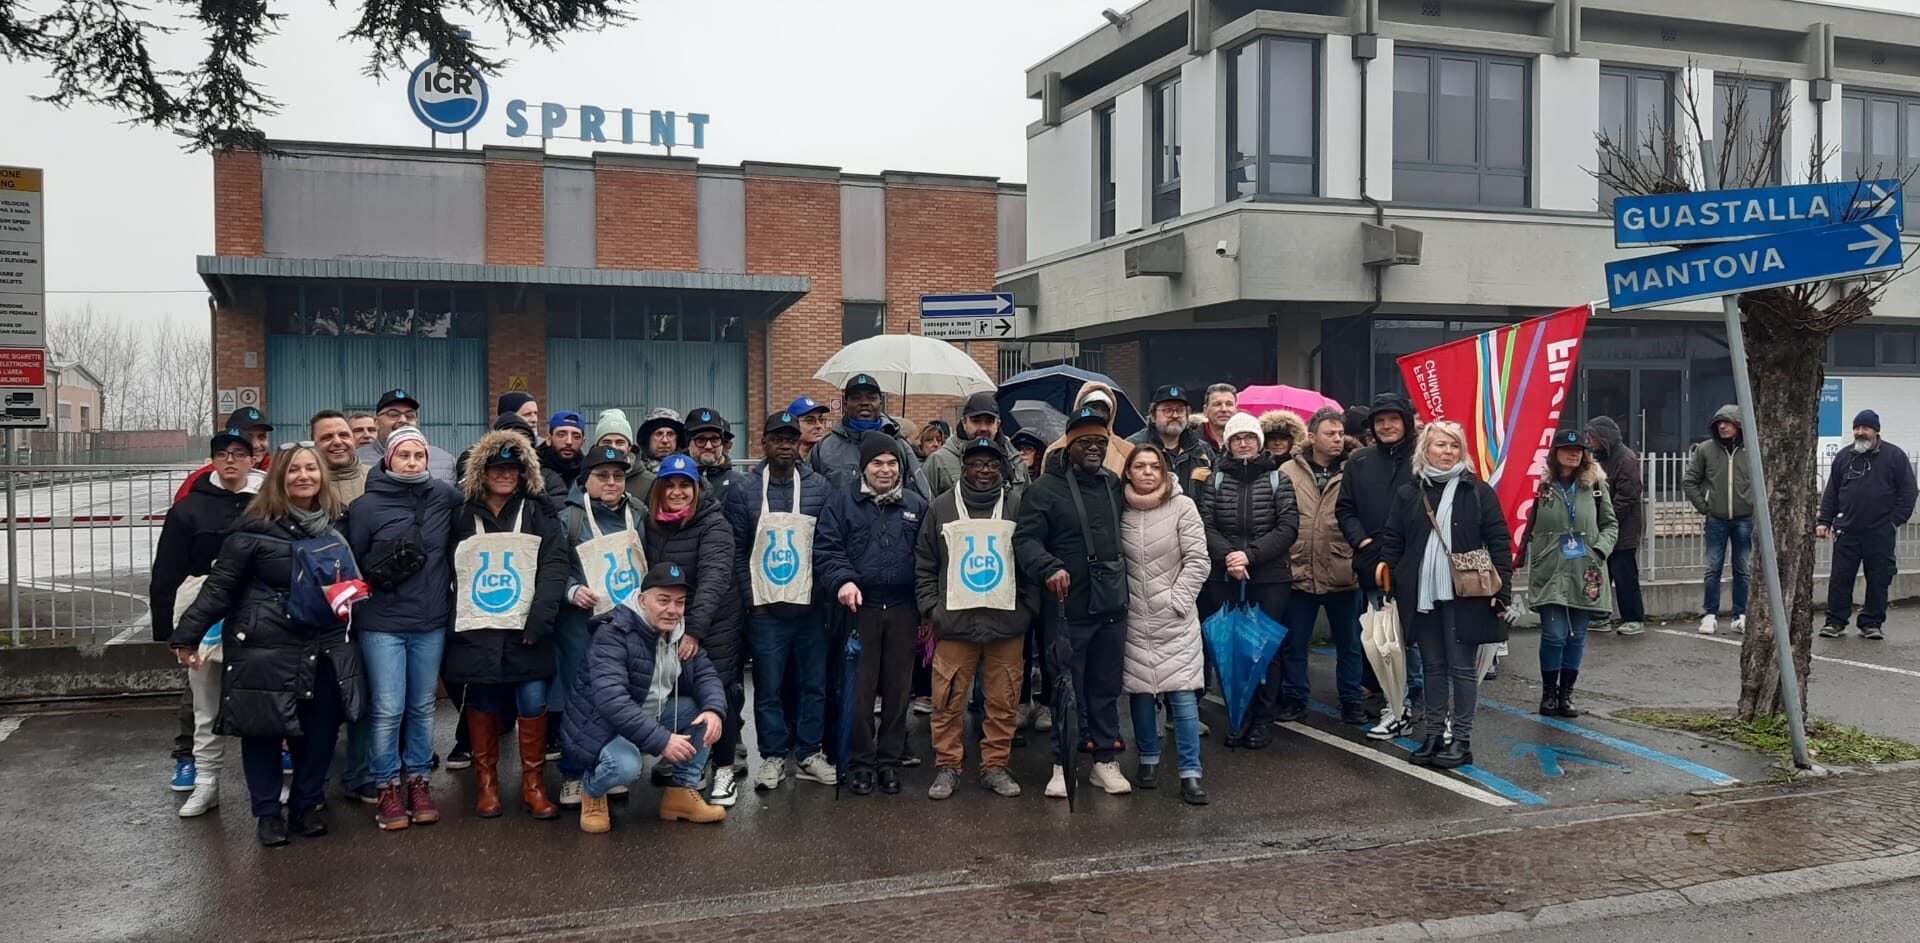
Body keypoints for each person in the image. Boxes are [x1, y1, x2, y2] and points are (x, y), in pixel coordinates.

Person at [170, 443, 365, 847]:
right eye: (294, 470)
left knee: (319, 731)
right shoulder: (252, 528)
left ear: (322, 476)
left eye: (311, 469)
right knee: (263, 731)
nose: (303, 476)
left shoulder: (337, 526)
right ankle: (267, 813)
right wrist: (187, 635)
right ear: (278, 478)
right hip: (266, 646)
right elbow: (220, 587)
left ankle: (306, 805)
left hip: (324, 644)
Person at [341, 425, 463, 830]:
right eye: (404, 455)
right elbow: (355, 562)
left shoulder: (444, 497)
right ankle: (387, 785)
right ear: (388, 458)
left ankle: (419, 781)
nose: (412, 463)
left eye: (419, 455)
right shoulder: (365, 507)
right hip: (382, 623)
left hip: (430, 620)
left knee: (422, 706)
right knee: (388, 707)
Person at [446, 432, 570, 820]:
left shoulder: (538, 512)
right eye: (496, 468)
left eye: (512, 468)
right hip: (477, 630)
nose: (505, 474)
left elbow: (555, 565)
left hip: (526, 630)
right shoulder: (461, 515)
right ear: (481, 472)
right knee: (483, 701)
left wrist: (540, 620)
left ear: (523, 472)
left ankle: (534, 785)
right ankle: (487, 785)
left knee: (532, 700)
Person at [1379, 421, 1513, 771]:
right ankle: (1435, 734)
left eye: (1454, 445)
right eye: (1441, 445)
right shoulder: (1409, 492)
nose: (1448, 451)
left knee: (1462, 668)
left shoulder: (1477, 491)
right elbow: (1393, 538)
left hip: (1466, 594)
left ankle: (1462, 740)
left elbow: (1499, 540)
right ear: (1425, 450)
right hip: (1420, 594)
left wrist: (1503, 590)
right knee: (1433, 667)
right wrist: (1386, 577)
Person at [1016, 407, 1134, 798]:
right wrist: (1048, 567)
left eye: (1100, 441)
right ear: (1069, 445)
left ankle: (1105, 760)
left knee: (1106, 687)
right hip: (1067, 610)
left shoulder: (1112, 483)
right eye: (1085, 442)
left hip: (1111, 606)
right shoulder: (1043, 489)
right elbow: (1025, 540)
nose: (1094, 448)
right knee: (1065, 689)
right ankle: (1061, 764)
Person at [563, 563, 730, 832]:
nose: (672, 610)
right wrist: (662, 740)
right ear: (642, 600)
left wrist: (713, 710)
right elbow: (612, 700)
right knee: (626, 767)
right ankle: (593, 791)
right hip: (600, 725)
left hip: (648, 714)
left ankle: (680, 793)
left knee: (703, 713)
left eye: (680, 602)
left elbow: (706, 675)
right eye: (663, 600)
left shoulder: (679, 632)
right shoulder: (614, 632)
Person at [723, 410, 837, 790]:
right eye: (777, 439)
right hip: (766, 612)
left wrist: (820, 595)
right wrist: (752, 599)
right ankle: (772, 755)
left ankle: (808, 753)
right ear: (764, 443)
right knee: (768, 688)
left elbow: (828, 544)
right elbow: (736, 551)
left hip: (810, 609)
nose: (785, 445)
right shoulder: (744, 491)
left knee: (814, 685)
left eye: (790, 439)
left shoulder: (820, 487)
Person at [916, 437, 1034, 800]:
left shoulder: (1016, 505)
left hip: (1006, 626)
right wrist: (933, 609)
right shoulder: (941, 507)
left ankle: (995, 766)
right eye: (977, 464)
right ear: (964, 468)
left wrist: (1026, 609)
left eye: (992, 464)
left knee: (1003, 701)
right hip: (955, 625)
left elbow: (1031, 560)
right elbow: (925, 563)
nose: (985, 471)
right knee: (947, 700)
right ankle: (947, 766)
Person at [815, 435, 929, 796]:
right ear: (863, 467)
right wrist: (843, 580)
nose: (885, 470)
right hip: (858, 611)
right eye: (877, 463)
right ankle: (861, 762)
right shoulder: (841, 502)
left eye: (892, 463)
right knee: (859, 693)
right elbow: (827, 549)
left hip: (903, 611)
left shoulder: (915, 504)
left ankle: (890, 761)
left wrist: (926, 608)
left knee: (898, 691)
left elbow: (928, 558)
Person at [150, 429, 257, 813]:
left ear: (252, 460)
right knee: (205, 704)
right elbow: (167, 572)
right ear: (212, 460)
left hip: (256, 613)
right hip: (204, 615)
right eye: (223, 453)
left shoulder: (267, 505)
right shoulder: (188, 510)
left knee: (261, 699)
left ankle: (267, 784)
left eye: (239, 453)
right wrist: (172, 633)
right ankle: (206, 780)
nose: (231, 460)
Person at [639, 453, 743, 806]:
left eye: (686, 485)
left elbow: (715, 579)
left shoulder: (714, 524)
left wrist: (694, 631)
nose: (678, 492)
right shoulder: (654, 524)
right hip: (674, 623)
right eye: (670, 485)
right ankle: (688, 762)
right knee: (681, 692)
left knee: (720, 692)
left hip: (714, 625)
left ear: (698, 488)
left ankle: (725, 769)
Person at [1196, 411, 1300, 744]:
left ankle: (1262, 719)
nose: (1243, 443)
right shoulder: (1214, 480)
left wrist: (1249, 555)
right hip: (1224, 576)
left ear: (1259, 441)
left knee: (1265, 649)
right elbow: (1205, 525)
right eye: (1237, 438)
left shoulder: (1278, 479)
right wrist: (1229, 556)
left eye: (1249, 437)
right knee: (1230, 649)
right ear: (1227, 443)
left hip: (1269, 578)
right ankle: (1238, 715)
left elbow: (1288, 527)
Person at [1118, 442, 1212, 805]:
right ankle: (1148, 758)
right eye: (1139, 466)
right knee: (1141, 693)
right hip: (1133, 617)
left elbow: (1198, 560)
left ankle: (1191, 772)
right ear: (1128, 472)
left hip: (1174, 617)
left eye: (1154, 466)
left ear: (1163, 471)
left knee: (1183, 696)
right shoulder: (1120, 508)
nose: (1147, 472)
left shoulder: (1182, 506)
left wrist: (1178, 600)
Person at [552, 444, 647, 805]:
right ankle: (573, 773)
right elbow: (550, 571)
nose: (611, 482)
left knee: (619, 696)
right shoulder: (568, 520)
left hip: (625, 627)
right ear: (585, 480)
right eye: (602, 475)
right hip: (579, 628)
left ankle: (610, 766)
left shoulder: (638, 514)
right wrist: (571, 590)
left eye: (618, 476)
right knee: (578, 700)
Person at [1336, 393, 1421, 739]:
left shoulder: (1423, 458)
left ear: (1406, 422)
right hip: (1374, 565)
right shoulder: (1359, 461)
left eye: (1393, 419)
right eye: (1380, 421)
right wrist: (1362, 542)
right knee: (1384, 642)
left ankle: (1420, 705)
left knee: (1419, 641)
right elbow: (1345, 509)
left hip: (1417, 564)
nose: (1387, 426)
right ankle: (1395, 705)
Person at [1278, 408, 1368, 727]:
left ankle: (1352, 700)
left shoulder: (1356, 469)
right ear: (1312, 437)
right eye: (1330, 434)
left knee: (1350, 644)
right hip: (1299, 569)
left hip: (1342, 569)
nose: (1337, 439)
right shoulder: (1288, 470)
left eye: (1340, 433)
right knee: (1295, 643)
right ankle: (1295, 698)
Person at [1525, 430, 1618, 718]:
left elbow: (1610, 524)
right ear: (1554, 452)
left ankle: (1566, 694)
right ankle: (1548, 693)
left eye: (1579, 449)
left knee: (1576, 636)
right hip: (1550, 567)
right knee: (1554, 634)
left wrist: (1599, 551)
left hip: (1586, 569)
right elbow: (1522, 522)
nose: (1574, 453)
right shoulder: (1538, 485)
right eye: (1567, 448)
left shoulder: (1596, 485)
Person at [1819, 409, 1918, 640]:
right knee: (1840, 579)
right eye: (1857, 428)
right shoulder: (1844, 457)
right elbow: (1832, 492)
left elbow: (1908, 492)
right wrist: (1824, 520)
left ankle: (1871, 623)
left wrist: (1894, 521)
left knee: (1878, 580)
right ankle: (1835, 622)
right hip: (1847, 530)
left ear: (1876, 431)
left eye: (1865, 428)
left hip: (1880, 532)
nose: (1860, 432)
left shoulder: (1894, 456)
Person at [1681, 405, 1754, 635]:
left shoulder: (1753, 448)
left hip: (1745, 519)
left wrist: (1754, 505)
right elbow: (1689, 481)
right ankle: (1710, 614)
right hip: (1716, 519)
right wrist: (1705, 507)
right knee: (1713, 568)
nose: (1722, 426)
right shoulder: (1705, 450)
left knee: (1743, 568)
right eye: (1719, 423)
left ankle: (1740, 615)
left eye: (1727, 422)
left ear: (1738, 425)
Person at [811, 375, 928, 497]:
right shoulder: (825, 447)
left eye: (871, 398)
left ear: (880, 404)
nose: (864, 403)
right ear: (845, 405)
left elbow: (920, 494)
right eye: (856, 398)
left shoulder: (899, 445)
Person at [1584, 416, 1646, 636]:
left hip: (1624, 529)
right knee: (1601, 573)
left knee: (1624, 575)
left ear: (1604, 437)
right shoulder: (1601, 459)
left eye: (1592, 436)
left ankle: (1634, 618)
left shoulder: (1625, 458)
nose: (1589, 441)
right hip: (1606, 527)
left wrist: (1607, 518)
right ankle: (1600, 616)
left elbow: (1628, 496)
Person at [925, 392, 1033, 497]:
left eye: (989, 422)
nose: (983, 428)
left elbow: (1027, 504)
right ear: (964, 423)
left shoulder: (1014, 460)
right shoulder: (939, 461)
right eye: (976, 421)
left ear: (998, 424)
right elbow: (927, 505)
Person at [1126, 385, 1216, 496]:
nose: (1175, 415)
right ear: (1153, 416)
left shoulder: (1202, 450)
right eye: (1168, 410)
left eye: (1180, 410)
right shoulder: (1132, 447)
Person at [171, 407, 272, 502]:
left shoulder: (277, 472)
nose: (256, 445)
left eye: (262, 437)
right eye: (248, 437)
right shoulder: (198, 481)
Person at [355, 389, 457, 483]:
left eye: (410, 415)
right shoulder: (357, 460)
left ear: (416, 422)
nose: (403, 420)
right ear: (377, 423)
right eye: (393, 414)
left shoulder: (446, 461)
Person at [1041, 380, 1134, 478]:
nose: (1099, 413)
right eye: (1093, 407)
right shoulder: (1055, 450)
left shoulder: (1126, 450)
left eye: (1104, 409)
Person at [685, 407, 746, 508]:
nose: (708, 446)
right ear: (688, 444)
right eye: (701, 440)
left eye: (715, 439)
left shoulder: (738, 483)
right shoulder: (675, 481)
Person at [628, 408, 686, 501]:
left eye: (670, 434)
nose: (665, 440)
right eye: (659, 434)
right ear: (648, 438)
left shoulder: (689, 468)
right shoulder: (634, 469)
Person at [311, 410, 368, 504]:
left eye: (343, 435)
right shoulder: (307, 484)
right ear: (314, 445)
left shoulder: (377, 478)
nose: (337, 442)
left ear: (353, 440)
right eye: (327, 437)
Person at [539, 411, 587, 503]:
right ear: (549, 439)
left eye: (576, 437)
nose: (569, 442)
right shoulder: (532, 471)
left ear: (583, 443)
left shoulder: (588, 474)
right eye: (561, 435)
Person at [1200, 384, 1238, 451]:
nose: (1224, 409)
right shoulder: (1190, 442)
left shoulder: (1247, 443)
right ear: (1205, 410)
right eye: (1217, 404)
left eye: (1229, 404)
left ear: (1236, 410)